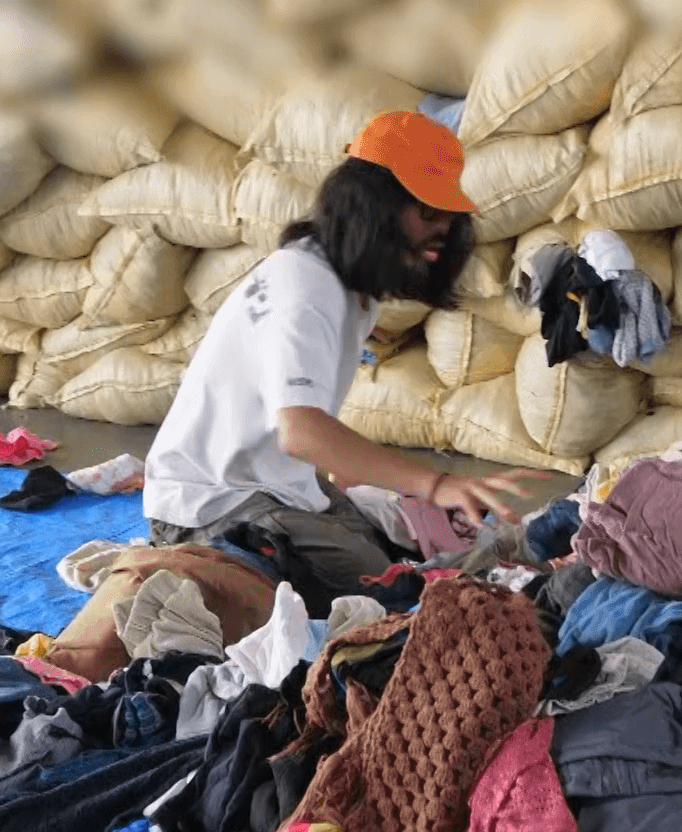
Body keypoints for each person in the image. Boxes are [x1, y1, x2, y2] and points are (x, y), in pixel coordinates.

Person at [143, 111, 540, 584]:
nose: (443, 236)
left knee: (391, 547)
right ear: (371, 207)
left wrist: (378, 487)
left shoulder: (348, 295)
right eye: (428, 213)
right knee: (388, 586)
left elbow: (304, 433)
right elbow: (302, 432)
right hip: (206, 505)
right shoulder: (304, 285)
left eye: (450, 220)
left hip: (273, 490)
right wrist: (435, 484)